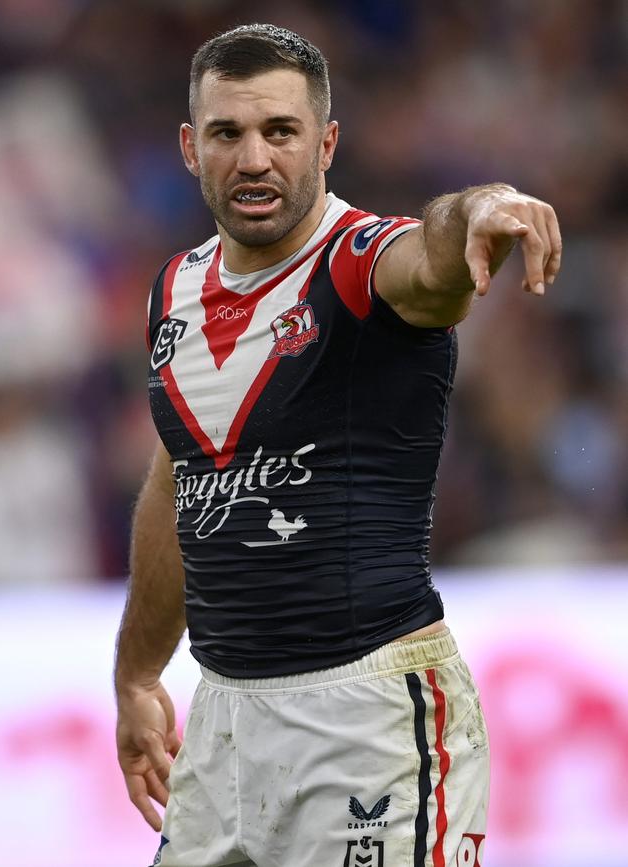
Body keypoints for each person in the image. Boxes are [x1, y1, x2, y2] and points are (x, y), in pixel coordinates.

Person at [114, 23, 561, 867]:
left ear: (326, 142)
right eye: (227, 133)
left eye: (280, 132)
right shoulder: (174, 289)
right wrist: (138, 675)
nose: (254, 159)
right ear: (188, 146)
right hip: (223, 724)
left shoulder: (359, 262)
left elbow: (431, 257)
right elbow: (185, 475)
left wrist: (484, 205)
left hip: (369, 723)